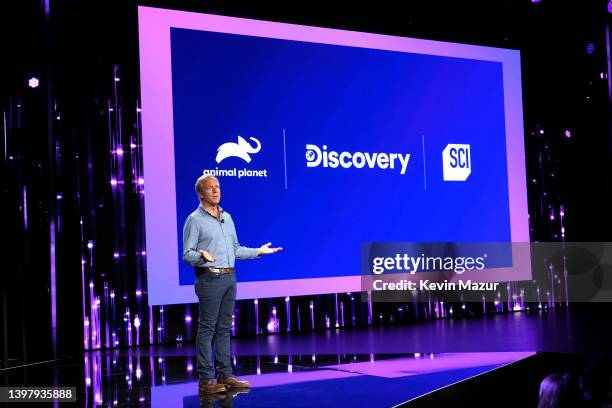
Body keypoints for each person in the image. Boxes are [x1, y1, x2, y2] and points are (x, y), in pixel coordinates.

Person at [183, 175, 282, 395]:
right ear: (201, 193)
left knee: (225, 328)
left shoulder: (227, 217)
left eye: (218, 187)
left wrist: (258, 251)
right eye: (210, 188)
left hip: (230, 278)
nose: (216, 191)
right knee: (208, 328)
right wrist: (201, 255)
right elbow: (187, 254)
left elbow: (235, 249)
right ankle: (206, 380)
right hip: (209, 278)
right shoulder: (194, 220)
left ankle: (225, 375)